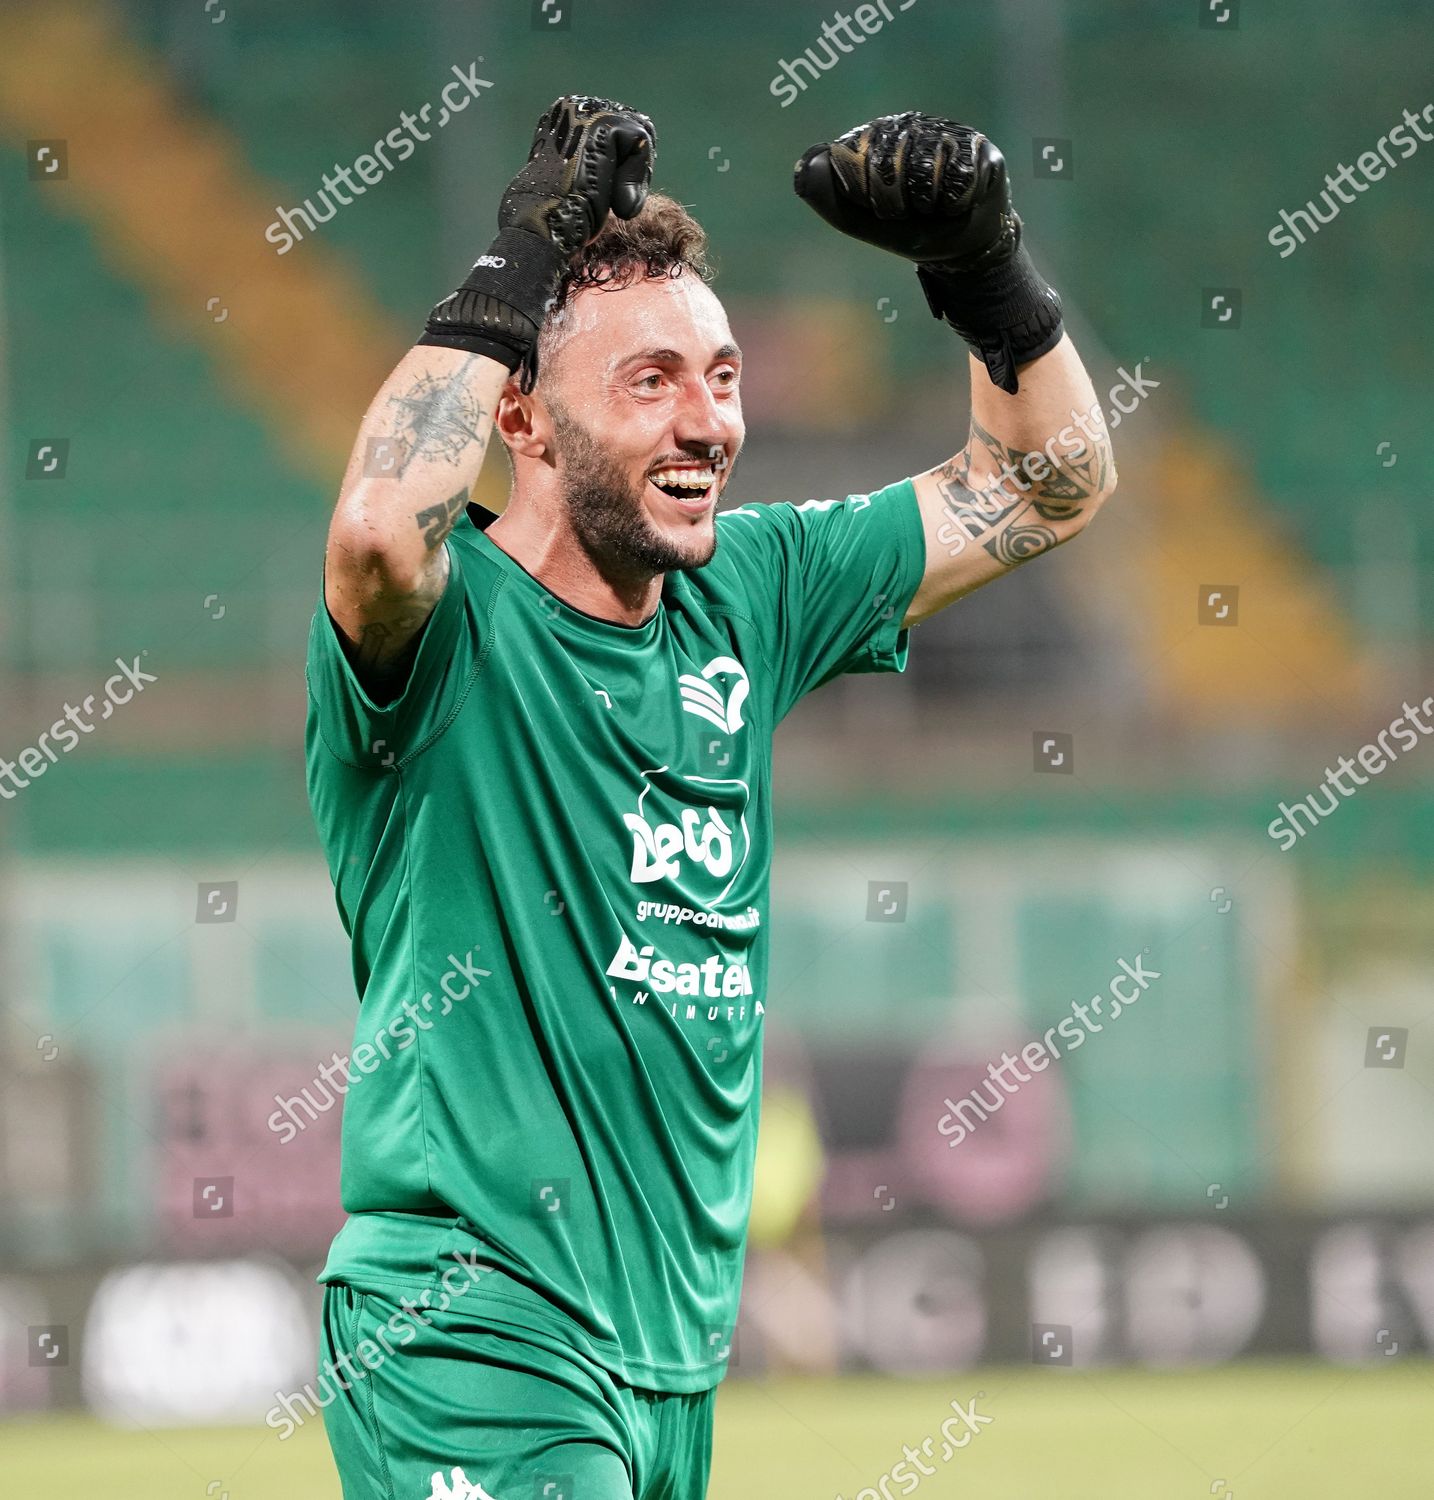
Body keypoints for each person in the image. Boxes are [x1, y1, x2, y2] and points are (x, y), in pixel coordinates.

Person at [304, 94, 1115, 1500]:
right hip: (472, 1329)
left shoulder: (748, 590)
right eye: (652, 380)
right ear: (524, 420)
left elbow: (1046, 484)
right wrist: (508, 269)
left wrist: (985, 271)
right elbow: (381, 524)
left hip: (668, 1357)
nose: (711, 420)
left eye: (724, 375)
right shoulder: (446, 626)